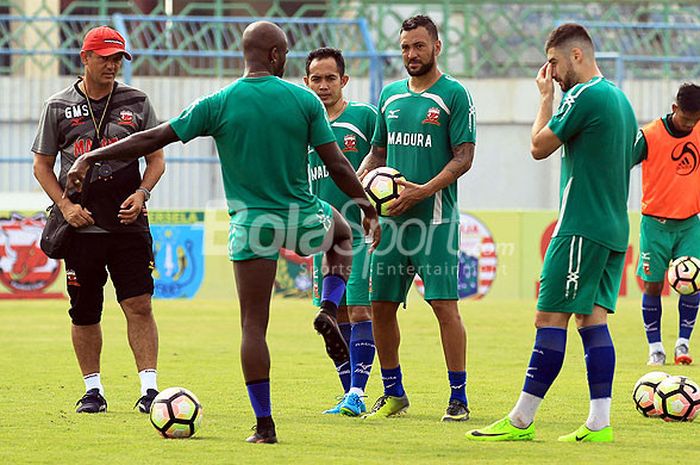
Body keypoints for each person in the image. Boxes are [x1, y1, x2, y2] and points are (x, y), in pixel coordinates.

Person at [65, 21, 380, 444]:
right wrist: (365, 207)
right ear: (273, 56)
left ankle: (264, 425)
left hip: (250, 224)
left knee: (253, 327)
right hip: (300, 214)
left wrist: (92, 156)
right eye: (283, 53)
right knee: (341, 235)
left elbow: (154, 137)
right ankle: (328, 306)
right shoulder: (304, 100)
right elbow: (339, 165)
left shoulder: (219, 102)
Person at [465, 23, 637, 443]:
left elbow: (539, 146)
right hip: (614, 226)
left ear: (577, 55)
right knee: (592, 319)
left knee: (549, 317)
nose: (552, 74)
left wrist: (544, 100)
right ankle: (599, 423)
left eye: (555, 64)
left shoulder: (584, 94)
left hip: (580, 225)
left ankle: (521, 420)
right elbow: (632, 155)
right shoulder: (621, 100)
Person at [32, 26, 164, 415]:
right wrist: (64, 207)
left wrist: (142, 194)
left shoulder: (137, 101)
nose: (112, 64)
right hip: (80, 225)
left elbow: (156, 158)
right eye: (105, 57)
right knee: (85, 309)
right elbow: (41, 165)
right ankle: (93, 390)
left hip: (128, 224)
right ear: (84, 58)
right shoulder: (58, 106)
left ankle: (150, 389)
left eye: (118, 58)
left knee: (139, 303)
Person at [356, 15, 476, 422]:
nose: (411, 54)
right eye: (405, 47)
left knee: (444, 307)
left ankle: (458, 397)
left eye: (419, 46)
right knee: (380, 305)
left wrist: (422, 190)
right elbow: (378, 152)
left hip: (436, 222)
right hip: (391, 225)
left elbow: (464, 157)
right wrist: (363, 180)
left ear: (437, 47)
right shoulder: (389, 95)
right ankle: (394, 393)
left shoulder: (453, 94)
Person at [304, 47, 377, 416]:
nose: (323, 85)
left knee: (362, 310)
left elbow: (383, 162)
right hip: (323, 237)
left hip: (362, 233)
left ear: (344, 81)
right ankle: (349, 390)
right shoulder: (301, 126)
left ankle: (358, 394)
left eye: (330, 78)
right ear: (305, 82)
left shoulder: (363, 117)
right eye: (316, 78)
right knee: (335, 316)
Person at [633, 83, 700, 366]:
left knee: (693, 284)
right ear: (674, 109)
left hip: (689, 223)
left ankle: (683, 344)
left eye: (696, 120)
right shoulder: (649, 136)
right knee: (652, 285)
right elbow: (620, 163)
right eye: (687, 119)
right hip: (655, 224)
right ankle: (656, 347)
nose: (691, 125)